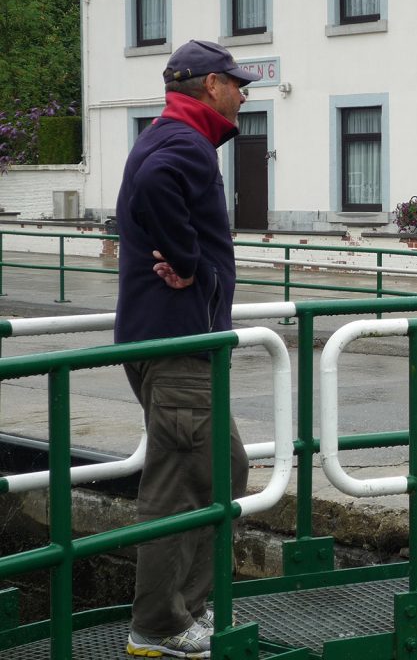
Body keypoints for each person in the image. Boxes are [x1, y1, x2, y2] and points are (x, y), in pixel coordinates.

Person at [115, 39, 260, 658]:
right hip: (176, 346)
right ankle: (158, 626)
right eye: (236, 83)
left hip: (174, 342)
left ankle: (187, 611)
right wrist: (186, 259)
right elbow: (154, 185)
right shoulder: (180, 144)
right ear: (208, 86)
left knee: (226, 468)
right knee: (177, 486)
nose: (244, 93)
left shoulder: (167, 134)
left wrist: (187, 261)